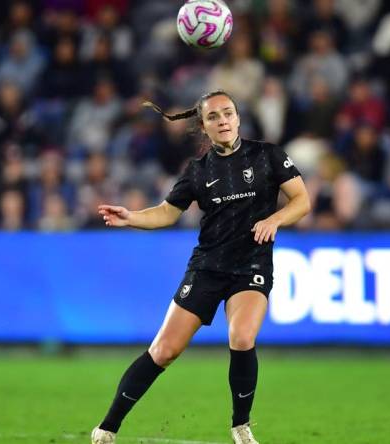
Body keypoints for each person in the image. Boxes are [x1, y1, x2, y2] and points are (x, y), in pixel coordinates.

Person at [90, 90, 311, 444]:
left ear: (238, 118)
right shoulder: (197, 171)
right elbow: (166, 212)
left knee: (241, 337)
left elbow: (301, 200)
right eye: (213, 117)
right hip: (207, 267)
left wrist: (276, 219)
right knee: (163, 351)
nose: (222, 121)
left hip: (251, 264)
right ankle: (107, 427)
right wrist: (131, 216)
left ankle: (241, 426)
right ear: (203, 127)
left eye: (228, 114)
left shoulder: (267, 155)